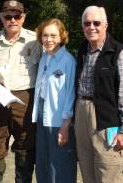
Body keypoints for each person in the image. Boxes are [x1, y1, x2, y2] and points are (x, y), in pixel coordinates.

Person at [0, 0, 41, 183]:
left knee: (26, 146)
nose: (13, 19)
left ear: (23, 17)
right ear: (1, 18)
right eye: (8, 16)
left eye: (17, 15)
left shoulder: (36, 40)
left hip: (25, 100)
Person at [75, 6, 123, 183]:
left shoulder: (119, 52)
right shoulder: (82, 51)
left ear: (106, 25)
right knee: (87, 169)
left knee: (108, 170)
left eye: (97, 23)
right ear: (82, 26)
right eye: (87, 23)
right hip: (81, 111)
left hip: (105, 117)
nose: (91, 27)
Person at [32, 18, 77, 182]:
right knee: (43, 162)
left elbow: (71, 93)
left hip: (59, 118)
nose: (48, 39)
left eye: (53, 35)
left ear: (61, 37)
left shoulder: (68, 60)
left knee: (59, 164)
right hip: (42, 116)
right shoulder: (44, 57)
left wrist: (66, 124)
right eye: (45, 35)